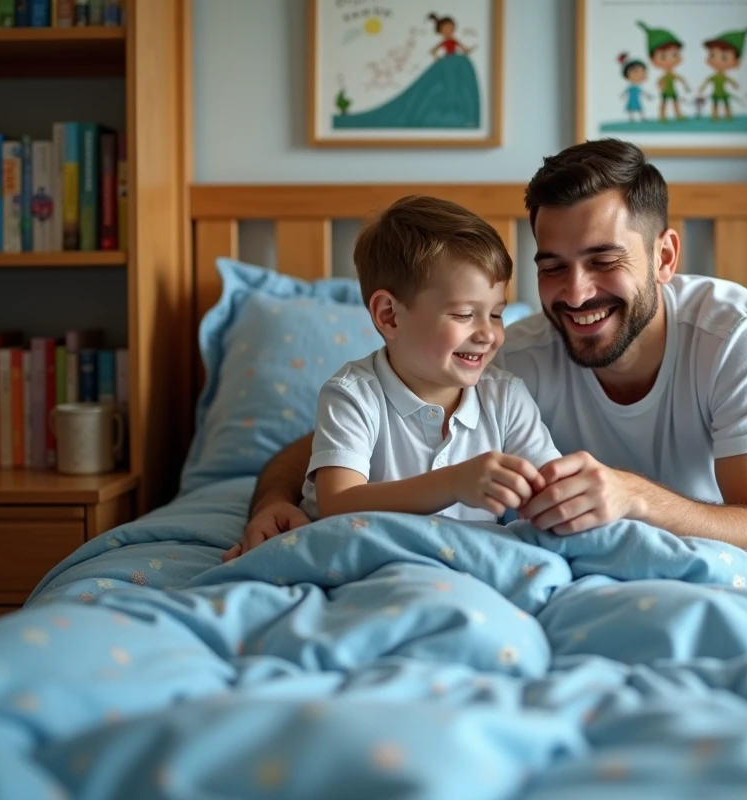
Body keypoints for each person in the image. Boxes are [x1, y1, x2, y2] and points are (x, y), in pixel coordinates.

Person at [229, 138, 747, 559]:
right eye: (553, 266)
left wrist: (633, 495)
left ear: (664, 256)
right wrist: (277, 503)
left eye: (604, 260)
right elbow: (341, 443)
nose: (576, 294)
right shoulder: (507, 362)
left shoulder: (738, 339)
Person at [221, 196, 561, 561]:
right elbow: (339, 503)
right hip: (366, 557)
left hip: (468, 563)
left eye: (495, 314)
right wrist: (454, 483)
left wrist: (555, 491)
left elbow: (547, 483)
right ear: (389, 316)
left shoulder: (506, 397)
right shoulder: (352, 395)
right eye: (464, 314)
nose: (487, 334)